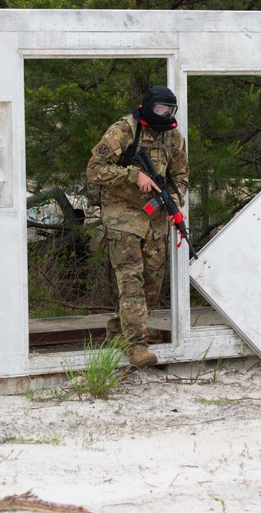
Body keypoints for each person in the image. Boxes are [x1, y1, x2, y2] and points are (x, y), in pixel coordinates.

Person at [87, 85, 190, 368]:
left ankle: (118, 333)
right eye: (160, 109)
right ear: (148, 107)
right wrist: (133, 175)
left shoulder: (172, 137)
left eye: (170, 110)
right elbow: (95, 169)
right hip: (122, 214)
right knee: (131, 279)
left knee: (152, 283)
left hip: (154, 217)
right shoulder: (124, 131)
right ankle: (137, 346)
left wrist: (175, 202)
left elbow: (180, 175)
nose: (165, 114)